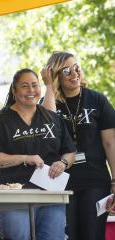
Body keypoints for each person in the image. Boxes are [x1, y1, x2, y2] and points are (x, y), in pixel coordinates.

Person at [0, 68, 76, 240]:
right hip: (15, 197)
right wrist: (24, 158)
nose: (31, 91)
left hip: (51, 194)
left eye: (34, 85)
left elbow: (69, 152)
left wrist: (62, 163)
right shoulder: (0, 120)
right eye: (25, 86)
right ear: (14, 91)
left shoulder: (52, 118)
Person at [41, 51, 115, 240]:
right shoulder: (50, 102)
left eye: (77, 67)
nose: (75, 73)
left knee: (92, 236)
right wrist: (48, 86)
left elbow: (110, 142)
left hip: (96, 181)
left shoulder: (97, 100)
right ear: (56, 75)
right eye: (67, 71)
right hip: (61, 182)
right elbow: (49, 125)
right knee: (67, 236)